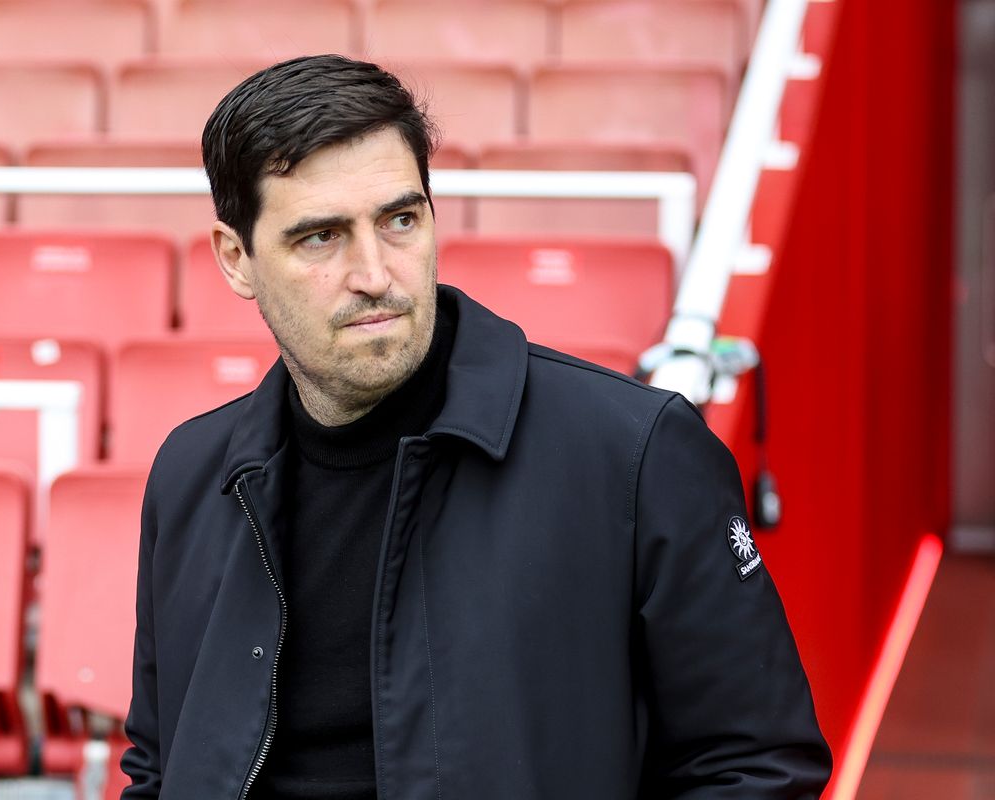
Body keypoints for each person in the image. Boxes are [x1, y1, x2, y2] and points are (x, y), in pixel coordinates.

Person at [121, 54, 832, 799]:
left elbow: (757, 768)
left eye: (400, 220)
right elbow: (159, 766)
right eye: (321, 237)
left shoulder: (633, 452)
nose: (375, 273)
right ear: (236, 259)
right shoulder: (192, 473)